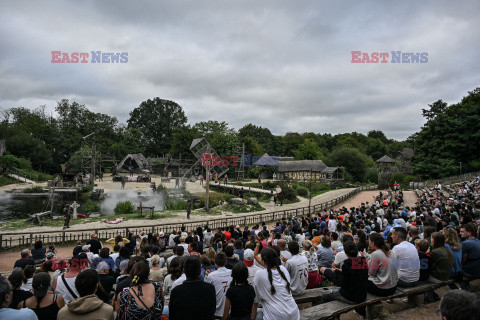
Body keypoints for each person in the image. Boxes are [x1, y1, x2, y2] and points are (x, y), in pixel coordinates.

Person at [252, 247, 300, 320]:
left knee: (258, 315)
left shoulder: (259, 274)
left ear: (263, 261)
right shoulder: (283, 269)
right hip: (294, 313)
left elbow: (255, 301)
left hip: (275, 316)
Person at [205, 252, 233, 318]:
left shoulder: (211, 276)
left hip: (217, 312)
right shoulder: (232, 273)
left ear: (215, 262)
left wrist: (207, 276)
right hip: (229, 311)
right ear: (226, 262)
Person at [459, 222, 480, 289]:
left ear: (469, 233)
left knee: (456, 273)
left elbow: (463, 260)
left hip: (471, 271)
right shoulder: (478, 241)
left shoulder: (465, 243)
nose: (460, 233)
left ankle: (463, 289)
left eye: (462, 232)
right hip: (477, 268)